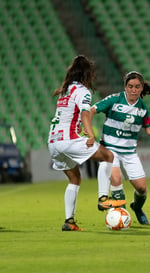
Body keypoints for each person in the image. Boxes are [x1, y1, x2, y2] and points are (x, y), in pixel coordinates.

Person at [48, 55, 126, 231]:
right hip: (68, 140)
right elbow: (84, 114)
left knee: (74, 178)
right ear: (86, 74)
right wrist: (90, 134)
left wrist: (80, 129)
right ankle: (103, 198)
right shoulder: (83, 90)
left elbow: (69, 115)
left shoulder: (65, 90)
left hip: (53, 141)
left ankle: (69, 221)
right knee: (108, 156)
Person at [91, 71, 150, 225]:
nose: (133, 90)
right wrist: (87, 130)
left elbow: (149, 129)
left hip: (130, 153)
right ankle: (122, 215)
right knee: (116, 179)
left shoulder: (142, 107)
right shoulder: (114, 99)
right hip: (110, 150)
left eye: (137, 87)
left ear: (142, 88)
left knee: (142, 188)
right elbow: (91, 110)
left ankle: (137, 207)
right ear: (125, 87)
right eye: (130, 86)